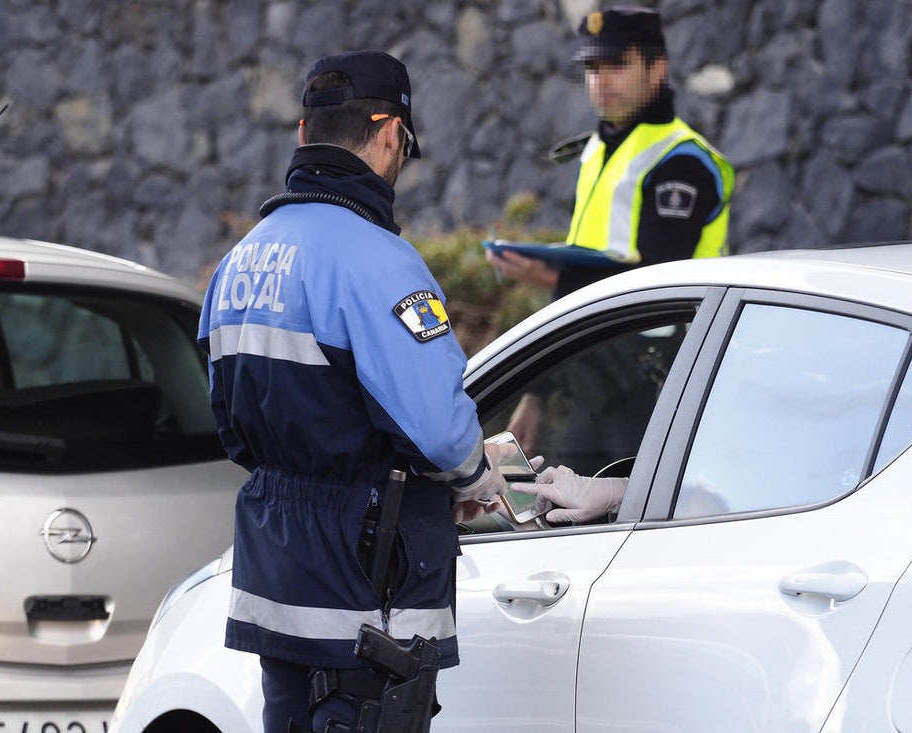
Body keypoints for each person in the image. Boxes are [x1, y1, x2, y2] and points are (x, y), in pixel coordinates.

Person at [198, 51, 511, 733]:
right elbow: (440, 433)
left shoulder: (240, 261)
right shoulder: (379, 262)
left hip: (278, 579)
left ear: (305, 134)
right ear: (391, 133)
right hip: (367, 594)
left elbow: (229, 422)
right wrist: (473, 474)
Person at [486, 5, 735, 301]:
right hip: (602, 332)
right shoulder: (599, 147)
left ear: (657, 69)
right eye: (592, 68)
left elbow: (659, 281)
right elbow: (599, 248)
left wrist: (548, 276)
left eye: (617, 65)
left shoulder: (682, 162)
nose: (600, 81)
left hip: (663, 341)